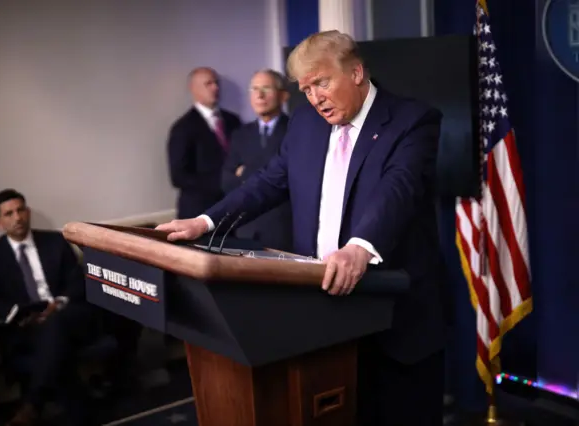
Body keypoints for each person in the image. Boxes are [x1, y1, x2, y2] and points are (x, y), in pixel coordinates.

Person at [156, 31, 446, 425]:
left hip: (397, 319)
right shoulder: (307, 123)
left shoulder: (412, 121)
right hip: (324, 315)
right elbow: (268, 182)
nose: (314, 98)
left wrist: (359, 246)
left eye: (322, 83)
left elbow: (399, 188)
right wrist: (205, 221)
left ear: (357, 72)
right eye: (306, 89)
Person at [0, 189, 100, 425]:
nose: (17, 218)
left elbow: (77, 281)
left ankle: (33, 404)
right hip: (28, 328)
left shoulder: (54, 241)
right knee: (57, 349)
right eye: (9, 213)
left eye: (20, 210)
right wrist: (19, 316)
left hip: (68, 315)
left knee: (56, 324)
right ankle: (79, 415)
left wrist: (59, 303)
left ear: (28, 211)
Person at [221, 69, 293, 251]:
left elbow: (288, 178)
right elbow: (227, 180)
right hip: (246, 228)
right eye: (254, 89)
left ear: (283, 96)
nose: (259, 95)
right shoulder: (240, 134)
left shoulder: (295, 129)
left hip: (285, 230)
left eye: (266, 88)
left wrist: (245, 172)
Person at [167, 67, 242, 219]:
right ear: (193, 89)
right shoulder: (182, 128)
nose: (215, 88)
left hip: (233, 210)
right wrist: (224, 182)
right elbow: (178, 176)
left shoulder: (233, 121)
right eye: (208, 84)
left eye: (216, 83)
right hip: (199, 213)